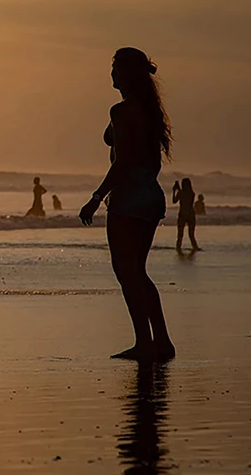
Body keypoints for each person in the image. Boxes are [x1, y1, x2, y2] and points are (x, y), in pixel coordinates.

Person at [79, 47, 175, 362]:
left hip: (128, 197)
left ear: (124, 74)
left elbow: (120, 163)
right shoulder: (148, 110)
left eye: (115, 68)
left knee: (126, 272)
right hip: (150, 195)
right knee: (139, 272)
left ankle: (143, 342)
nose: (111, 74)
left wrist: (95, 198)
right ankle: (161, 340)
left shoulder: (122, 112)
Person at [173, 178, 201, 253]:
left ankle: (178, 248)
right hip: (191, 214)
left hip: (182, 214)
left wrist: (174, 190)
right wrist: (178, 190)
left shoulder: (181, 193)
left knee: (180, 234)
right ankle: (195, 247)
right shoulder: (192, 193)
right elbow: (184, 196)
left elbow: (174, 201)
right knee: (191, 235)